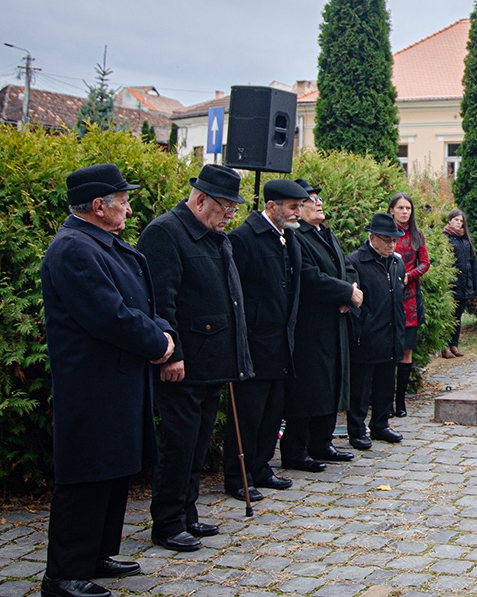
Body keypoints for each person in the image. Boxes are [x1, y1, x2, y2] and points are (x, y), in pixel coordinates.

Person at [40, 163, 175, 597]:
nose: (130, 210)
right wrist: (157, 342)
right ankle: (63, 574)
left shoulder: (101, 243)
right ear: (99, 206)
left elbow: (140, 302)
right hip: (92, 384)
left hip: (117, 380)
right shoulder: (74, 248)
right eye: (124, 201)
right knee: (87, 475)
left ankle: (96, 554)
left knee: (113, 470)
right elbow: (109, 316)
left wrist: (162, 331)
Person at [137, 165, 253, 553]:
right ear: (201, 200)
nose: (230, 215)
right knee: (179, 445)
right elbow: (160, 302)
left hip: (212, 361)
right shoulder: (165, 232)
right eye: (225, 207)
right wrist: (173, 355)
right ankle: (167, 522)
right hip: (183, 364)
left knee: (198, 443)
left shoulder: (215, 235)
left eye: (234, 209)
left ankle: (187, 511)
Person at [227, 179, 309, 494]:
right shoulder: (244, 237)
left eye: (300, 206)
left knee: (273, 412)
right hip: (254, 343)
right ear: (272, 206)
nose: (298, 212)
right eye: (293, 207)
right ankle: (238, 476)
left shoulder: (289, 237)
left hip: (281, 341)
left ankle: (261, 467)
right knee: (248, 415)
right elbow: (235, 293)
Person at [281, 179, 363, 469]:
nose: (318, 204)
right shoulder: (297, 236)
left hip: (335, 321)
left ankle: (322, 442)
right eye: (311, 200)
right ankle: (296, 449)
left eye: (319, 199)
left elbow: (348, 267)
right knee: (309, 387)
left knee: (332, 383)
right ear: (298, 208)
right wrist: (345, 292)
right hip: (311, 324)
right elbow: (308, 275)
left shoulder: (325, 232)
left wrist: (351, 291)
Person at [347, 213, 408, 447]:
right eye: (386, 240)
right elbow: (353, 301)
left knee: (385, 383)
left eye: (395, 240)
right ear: (372, 238)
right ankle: (356, 429)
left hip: (391, 331)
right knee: (361, 387)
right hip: (366, 333)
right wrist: (363, 325)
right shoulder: (356, 261)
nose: (391, 245)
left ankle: (381, 424)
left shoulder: (396, 262)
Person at [386, 193, 428, 417]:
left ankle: (400, 401)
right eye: (400, 208)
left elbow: (425, 263)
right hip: (385, 295)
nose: (404, 212)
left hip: (409, 297)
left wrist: (409, 276)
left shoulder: (416, 235)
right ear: (391, 210)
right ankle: (385, 402)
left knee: (406, 350)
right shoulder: (384, 233)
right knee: (386, 350)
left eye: (408, 208)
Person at [442, 208, 477, 359]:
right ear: (449, 220)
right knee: (447, 317)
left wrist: (474, 286)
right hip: (451, 285)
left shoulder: (465, 239)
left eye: (461, 220)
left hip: (464, 285)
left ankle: (454, 344)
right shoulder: (445, 238)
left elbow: (472, 263)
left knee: (457, 317)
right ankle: (444, 345)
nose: (459, 223)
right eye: (456, 220)